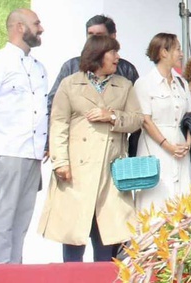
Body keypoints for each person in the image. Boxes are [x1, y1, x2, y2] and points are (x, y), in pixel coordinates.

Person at [39, 34, 144, 262]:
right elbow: (58, 124)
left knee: (107, 236)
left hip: (109, 172)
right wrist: (61, 162)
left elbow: (137, 119)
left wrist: (112, 116)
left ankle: (103, 275)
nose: (117, 57)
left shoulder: (124, 85)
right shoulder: (70, 84)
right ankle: (71, 276)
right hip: (75, 172)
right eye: (113, 52)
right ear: (98, 55)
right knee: (73, 236)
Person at [0, 8, 48, 264]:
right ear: (20, 27)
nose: (41, 28)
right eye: (36, 23)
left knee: (21, 222)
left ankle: (14, 274)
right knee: (1, 219)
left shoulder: (38, 68)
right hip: (6, 150)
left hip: (32, 153)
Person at [48, 15, 140, 157]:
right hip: (79, 156)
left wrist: (112, 116)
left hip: (112, 156)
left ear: (113, 36)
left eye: (100, 35)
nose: (94, 40)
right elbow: (57, 118)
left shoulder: (126, 74)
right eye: (91, 35)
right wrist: (57, 156)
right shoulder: (70, 72)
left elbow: (137, 119)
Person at [133, 33, 191, 213]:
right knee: (155, 200)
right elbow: (146, 120)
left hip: (181, 146)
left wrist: (188, 143)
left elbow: (190, 117)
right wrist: (167, 146)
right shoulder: (144, 83)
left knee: (182, 197)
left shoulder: (182, 83)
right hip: (155, 147)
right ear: (163, 52)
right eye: (177, 49)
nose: (181, 54)